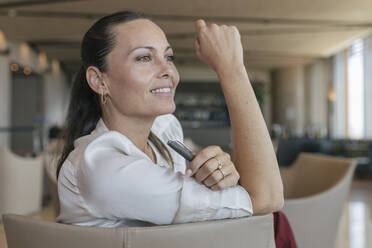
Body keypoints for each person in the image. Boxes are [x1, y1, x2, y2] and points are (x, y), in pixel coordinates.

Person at [56, 11, 284, 228]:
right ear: (99, 81)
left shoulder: (165, 129)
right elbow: (266, 198)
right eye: (144, 58)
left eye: (168, 57)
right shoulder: (103, 168)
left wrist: (221, 174)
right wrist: (232, 69)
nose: (168, 70)